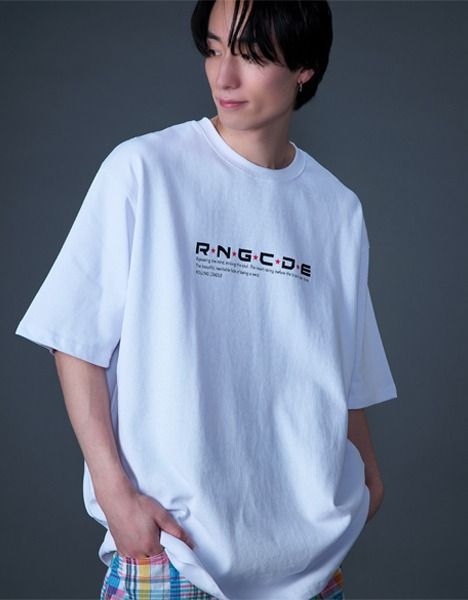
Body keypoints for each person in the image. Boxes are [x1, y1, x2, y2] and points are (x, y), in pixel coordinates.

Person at [14, 0, 398, 598]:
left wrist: (367, 476)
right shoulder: (145, 170)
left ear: (304, 69)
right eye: (214, 50)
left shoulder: (336, 209)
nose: (224, 77)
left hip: (310, 564)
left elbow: (341, 368)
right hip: (174, 552)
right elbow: (75, 341)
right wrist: (116, 497)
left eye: (251, 56)